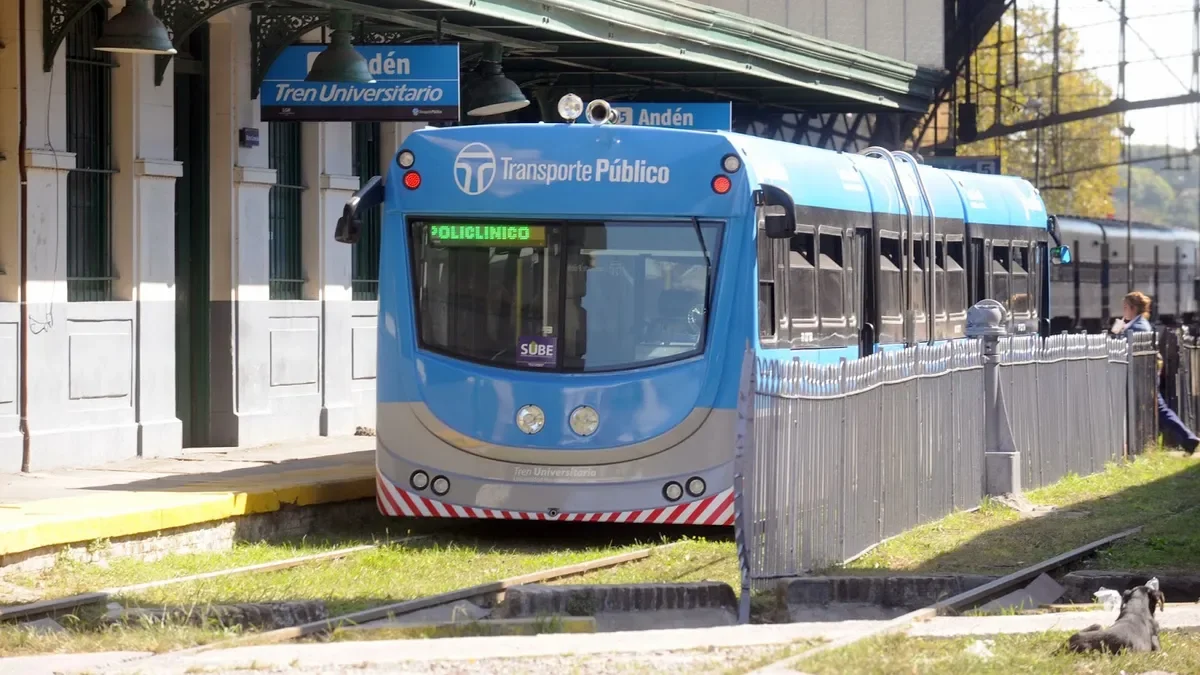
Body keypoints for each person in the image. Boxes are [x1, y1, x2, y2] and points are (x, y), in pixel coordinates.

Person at [1118, 291, 1200, 454]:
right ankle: (1187, 439)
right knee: (1158, 409)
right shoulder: (1138, 323)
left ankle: (1187, 438)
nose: (1123, 311)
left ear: (1133, 308)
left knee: (1159, 410)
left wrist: (1119, 333)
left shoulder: (1138, 326)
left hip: (1143, 375)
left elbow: (1124, 345)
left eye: (1125, 307)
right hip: (1145, 374)